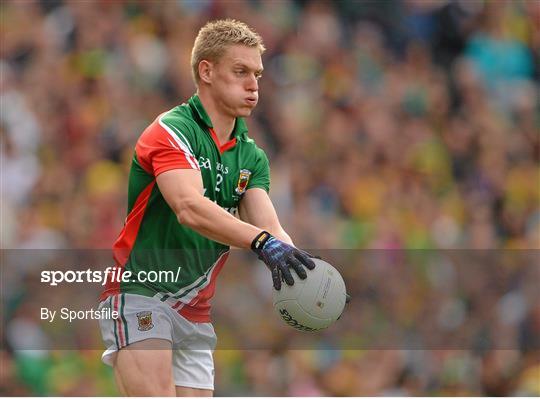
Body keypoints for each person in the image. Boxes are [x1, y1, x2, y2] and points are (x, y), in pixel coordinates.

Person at [98, 19, 316, 397]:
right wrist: (264, 242)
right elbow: (189, 207)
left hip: (195, 312)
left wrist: (310, 275)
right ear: (207, 71)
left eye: (257, 74)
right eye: (240, 71)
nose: (253, 84)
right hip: (140, 292)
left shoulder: (252, 157)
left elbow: (268, 227)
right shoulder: (171, 130)